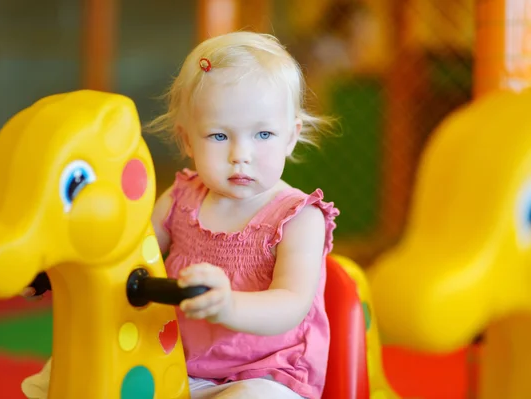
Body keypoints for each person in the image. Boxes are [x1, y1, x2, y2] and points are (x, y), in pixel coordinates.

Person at [22, 30, 339, 399]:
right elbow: (126, 256)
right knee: (67, 370)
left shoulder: (299, 218)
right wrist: (56, 272)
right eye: (219, 136)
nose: (241, 154)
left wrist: (229, 305)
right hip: (169, 359)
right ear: (187, 139)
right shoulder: (181, 198)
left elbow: (290, 305)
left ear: (290, 136)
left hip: (260, 374)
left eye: (263, 134)